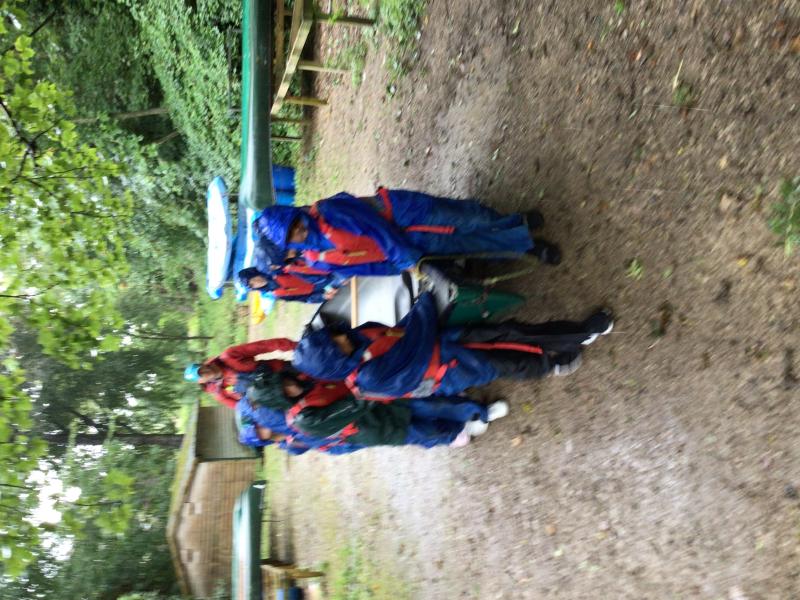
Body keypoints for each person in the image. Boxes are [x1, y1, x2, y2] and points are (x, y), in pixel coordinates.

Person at [292, 292, 613, 400]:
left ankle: (580, 334)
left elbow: (397, 331)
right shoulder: (370, 376)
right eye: (333, 343)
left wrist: (418, 307)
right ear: (336, 359)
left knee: (511, 332)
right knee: (510, 362)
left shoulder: (358, 337)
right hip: (451, 368)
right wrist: (424, 304)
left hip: (446, 341)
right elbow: (414, 347)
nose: (338, 336)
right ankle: (554, 363)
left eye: (331, 336)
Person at [253, 188, 561, 277]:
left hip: (406, 214)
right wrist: (399, 268)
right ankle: (526, 245)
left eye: (294, 223)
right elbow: (364, 267)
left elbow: (375, 226)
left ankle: (514, 222)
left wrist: (405, 258)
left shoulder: (327, 210)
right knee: (468, 244)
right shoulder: (316, 259)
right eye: (291, 236)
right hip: (410, 247)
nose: (298, 231)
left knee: (470, 217)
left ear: (293, 212)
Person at [236, 366, 509, 453]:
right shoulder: (299, 423)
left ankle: (480, 412)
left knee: (431, 406)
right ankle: (461, 430)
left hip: (379, 404)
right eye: (259, 430)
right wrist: (370, 391)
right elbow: (343, 420)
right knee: (425, 431)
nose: (289, 387)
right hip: (373, 425)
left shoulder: (302, 386)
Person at [183, 338, 298, 408]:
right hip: (279, 398)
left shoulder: (229, 355)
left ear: (202, 364)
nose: (205, 372)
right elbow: (244, 408)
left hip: (281, 371)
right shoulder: (220, 394)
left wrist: (295, 346)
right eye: (201, 375)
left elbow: (263, 346)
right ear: (200, 381)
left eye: (201, 369)